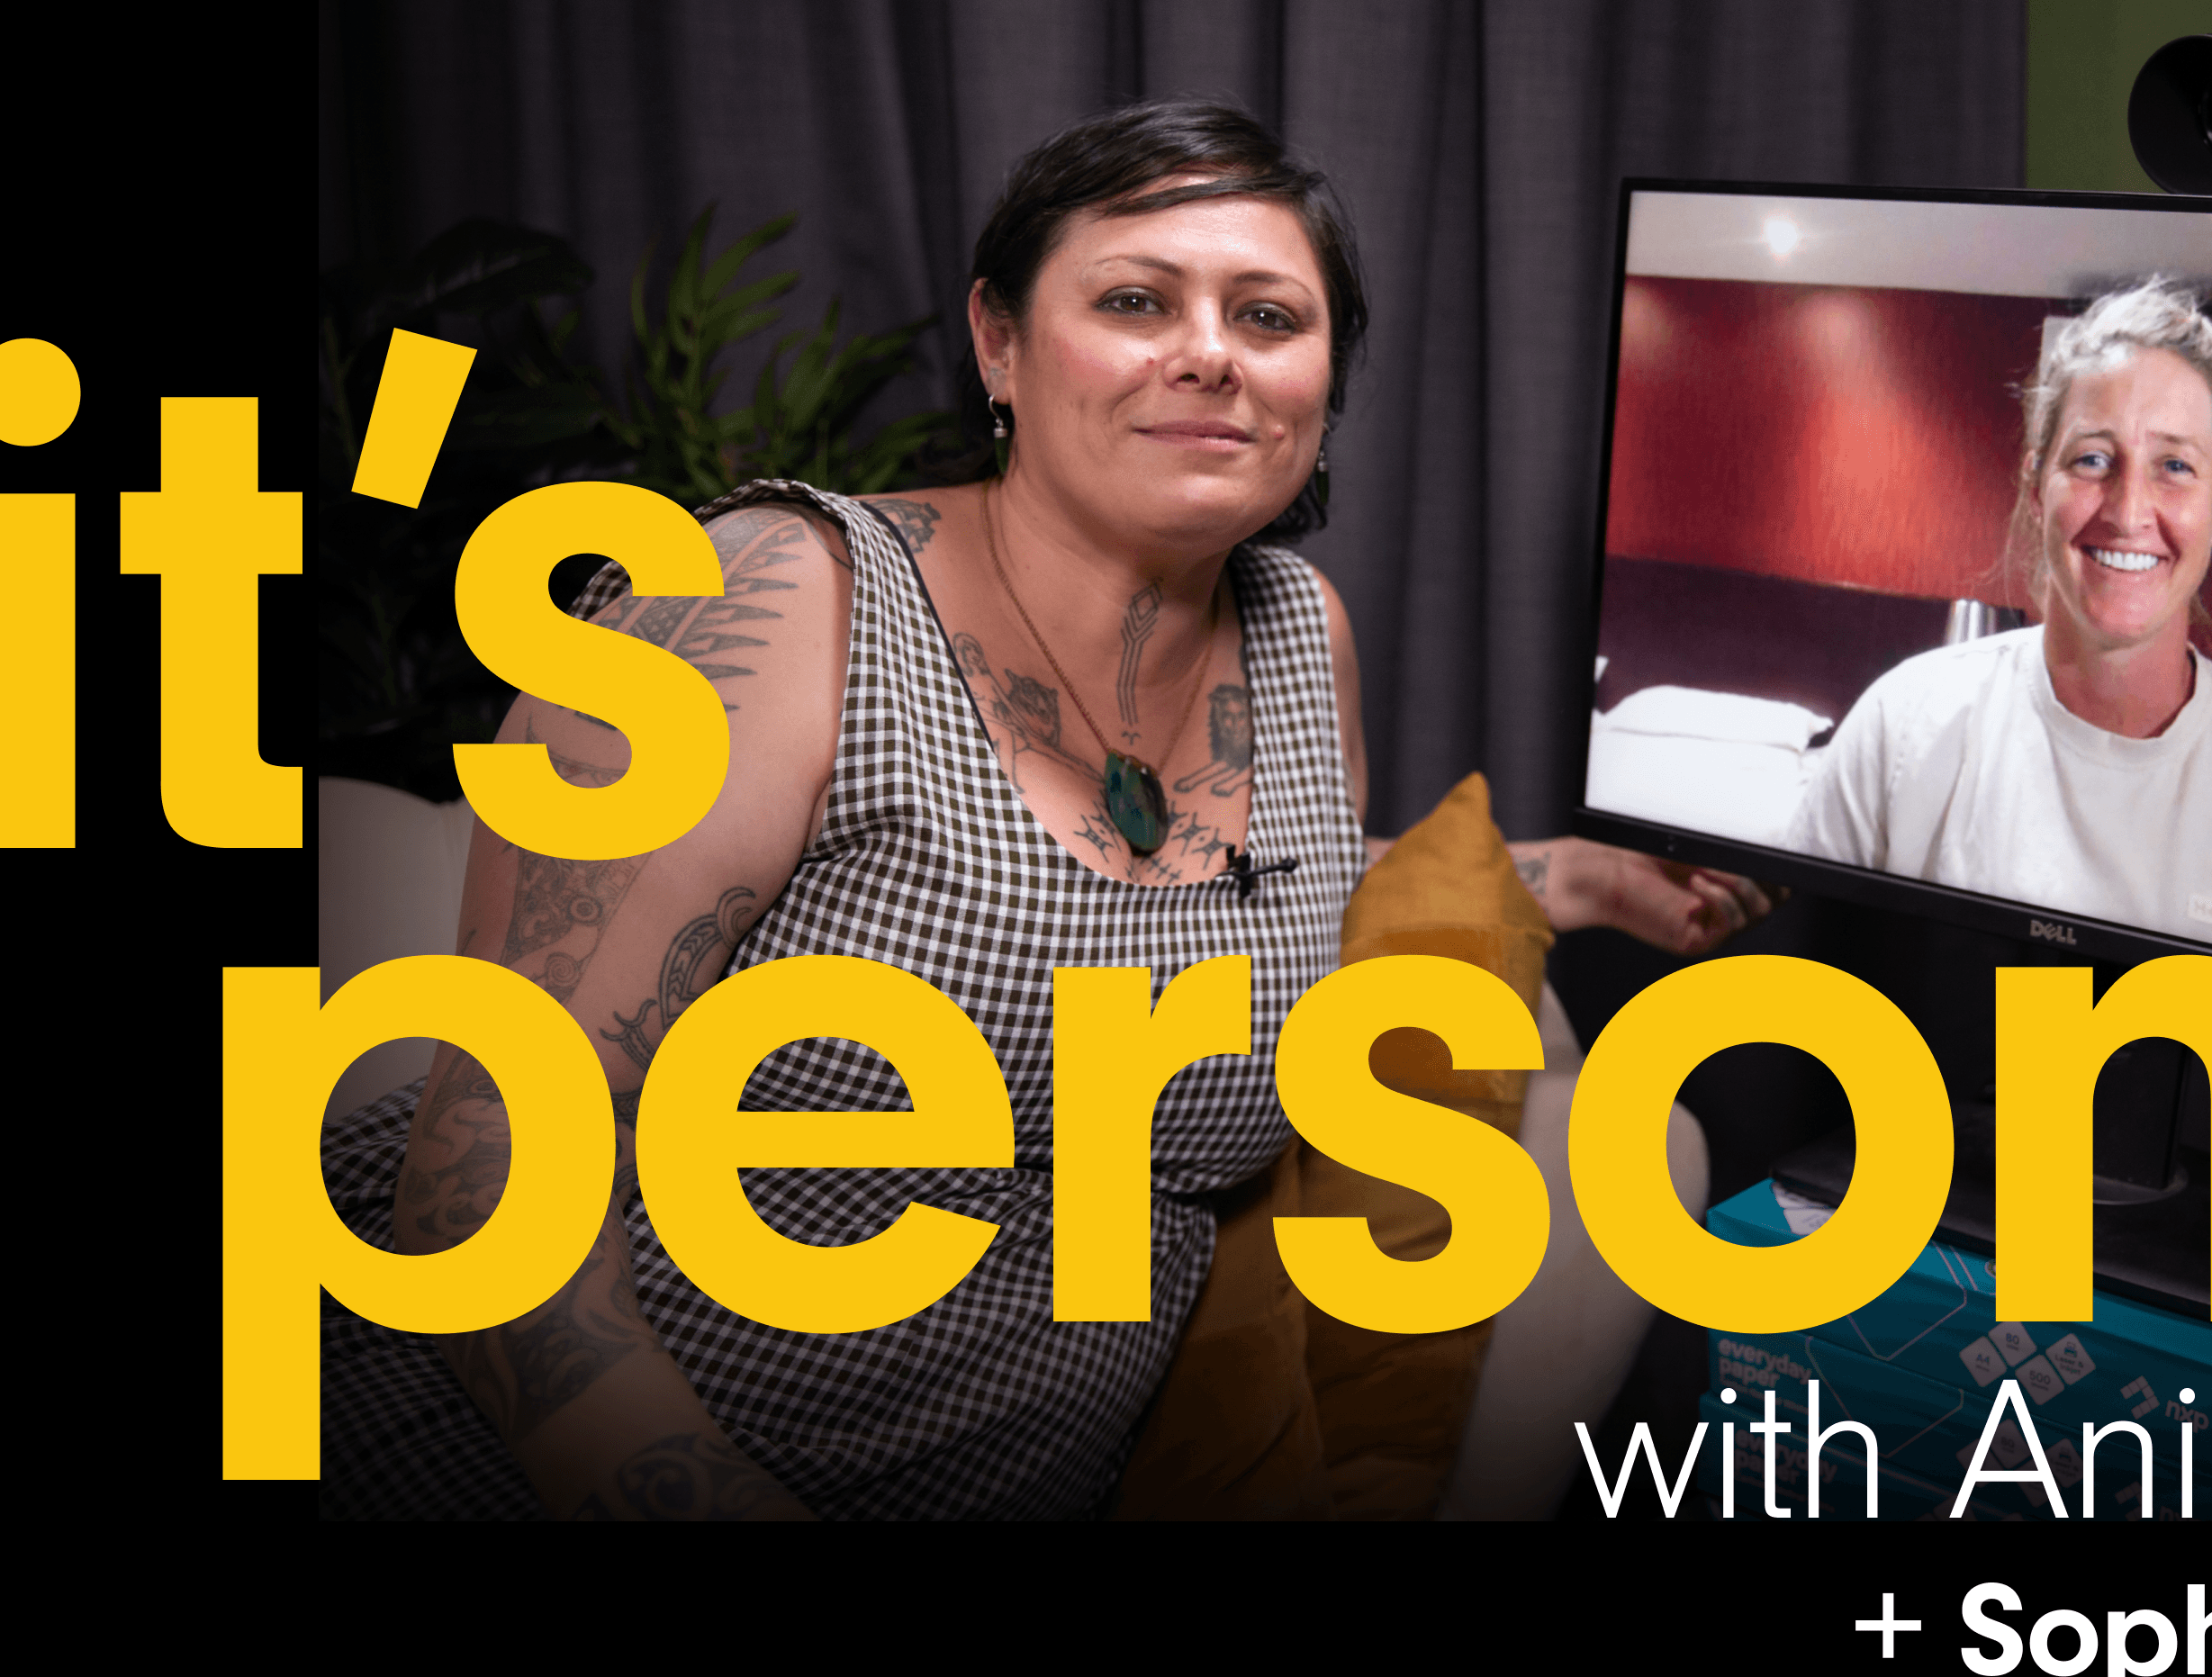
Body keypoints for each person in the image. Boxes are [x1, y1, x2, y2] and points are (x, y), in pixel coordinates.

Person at [318, 99, 1769, 1519]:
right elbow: (477, 1188)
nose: (1210, 354)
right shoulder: (762, 601)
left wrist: (1557, 876)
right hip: (519, 1448)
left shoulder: (1299, 631)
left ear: (1323, 387)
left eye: (1270, 318)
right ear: (998, 342)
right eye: (1138, 300)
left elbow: (1234, 910)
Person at [1781, 279, 2212, 987]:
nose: (2128, 510)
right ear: (2035, 486)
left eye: (2175, 466)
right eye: (2092, 459)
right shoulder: (1902, 729)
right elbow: (1788, 1004)